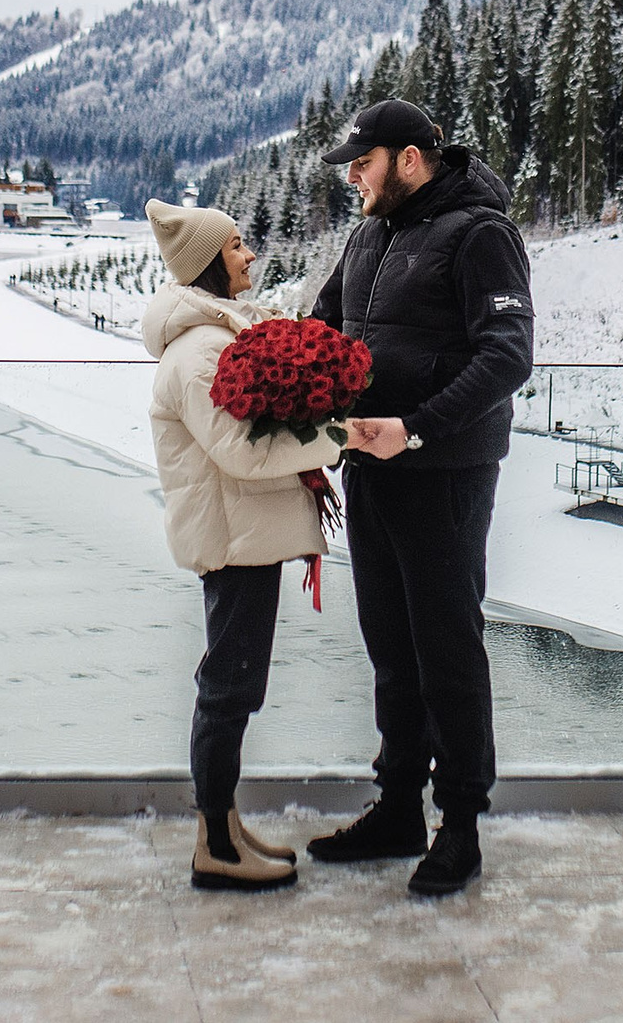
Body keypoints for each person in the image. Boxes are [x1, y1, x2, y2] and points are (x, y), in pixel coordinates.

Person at [303, 99, 533, 896]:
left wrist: (419, 428)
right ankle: (399, 805)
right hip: (371, 467)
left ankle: (461, 827)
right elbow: (324, 324)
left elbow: (509, 355)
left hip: (445, 474)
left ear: (408, 159)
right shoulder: (371, 233)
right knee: (392, 649)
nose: (353, 179)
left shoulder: (481, 235)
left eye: (361, 164)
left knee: (447, 650)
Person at [142, 197, 337, 892]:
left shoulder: (213, 338)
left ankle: (221, 826)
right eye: (235, 247)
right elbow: (241, 454)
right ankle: (215, 846)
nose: (249, 254)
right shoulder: (198, 355)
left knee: (234, 684)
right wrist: (336, 438)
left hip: (242, 533)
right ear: (207, 265)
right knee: (227, 689)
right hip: (234, 538)